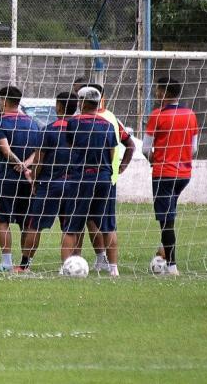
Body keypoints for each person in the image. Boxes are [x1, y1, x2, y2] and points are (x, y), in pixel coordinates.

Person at [61, 86, 128, 276]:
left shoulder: (73, 123)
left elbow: (71, 146)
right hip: (104, 178)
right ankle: (113, 269)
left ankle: (65, 267)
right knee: (108, 225)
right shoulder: (107, 125)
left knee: (72, 226)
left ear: (81, 102)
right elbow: (112, 152)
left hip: (81, 178)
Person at [144, 77, 199, 276]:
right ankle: (162, 249)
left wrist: (153, 158)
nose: (155, 93)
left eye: (157, 90)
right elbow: (194, 149)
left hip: (164, 173)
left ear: (164, 93)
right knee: (170, 214)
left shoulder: (157, 115)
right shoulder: (191, 114)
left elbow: (145, 148)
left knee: (166, 221)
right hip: (184, 174)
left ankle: (172, 266)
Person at [19, 91, 78, 273]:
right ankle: (69, 266)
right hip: (74, 184)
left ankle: (24, 265)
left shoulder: (48, 130)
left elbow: (39, 160)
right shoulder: (82, 129)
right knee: (70, 228)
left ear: (59, 107)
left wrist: (34, 180)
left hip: (49, 184)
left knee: (35, 225)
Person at [0, 85, 41, 272]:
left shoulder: (1, 122)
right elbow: (38, 152)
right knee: (26, 221)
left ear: (4, 101)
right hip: (28, 180)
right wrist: (26, 165)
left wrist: (19, 164)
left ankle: (6, 262)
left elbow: (5, 149)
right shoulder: (32, 123)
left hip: (7, 179)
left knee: (2, 220)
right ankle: (25, 264)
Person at [86, 83, 135, 273]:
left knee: (103, 221)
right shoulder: (107, 118)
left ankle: (110, 265)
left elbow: (130, 144)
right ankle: (103, 260)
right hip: (101, 178)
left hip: (99, 178)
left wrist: (121, 166)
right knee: (93, 220)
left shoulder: (109, 118)